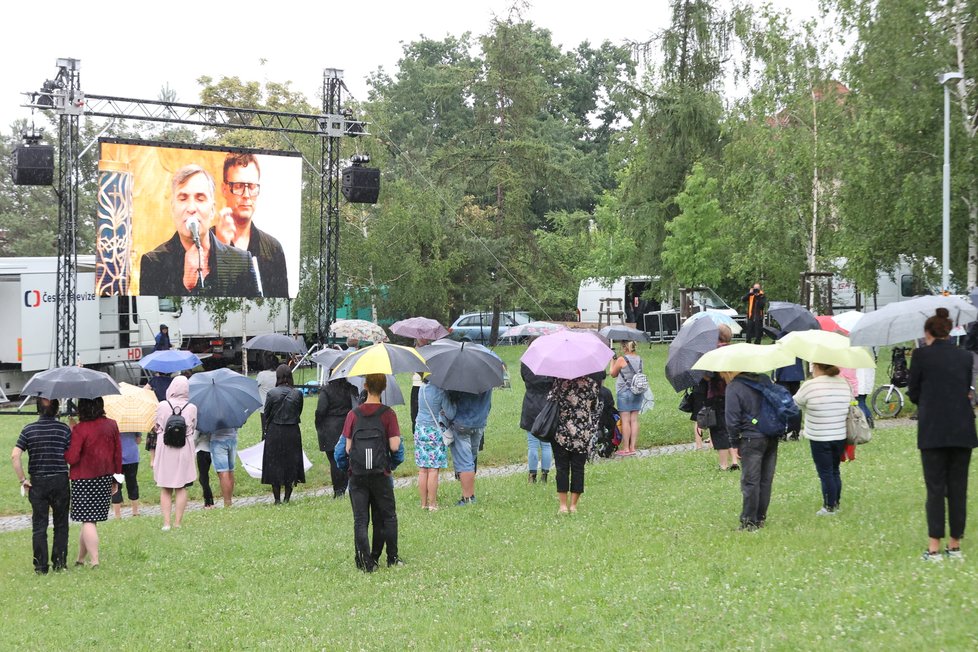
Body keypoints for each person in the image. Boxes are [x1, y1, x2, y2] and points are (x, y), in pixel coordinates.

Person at [907, 308, 978, 562]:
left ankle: (934, 547)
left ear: (928, 333)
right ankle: (955, 545)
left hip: (933, 429)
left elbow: (914, 392)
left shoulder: (921, 355)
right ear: (949, 331)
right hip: (962, 428)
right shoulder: (965, 357)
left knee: (935, 489)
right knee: (958, 488)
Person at [139, 164, 259, 297]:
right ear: (173, 208)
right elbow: (154, 316)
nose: (191, 208)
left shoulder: (241, 261)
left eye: (200, 198)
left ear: (212, 209)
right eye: (183, 198)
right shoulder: (154, 263)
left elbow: (257, 314)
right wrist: (186, 286)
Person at [339, 373, 403, 571]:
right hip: (380, 474)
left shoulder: (353, 415)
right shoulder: (388, 414)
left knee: (360, 520)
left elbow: (346, 449)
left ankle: (365, 562)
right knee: (387, 517)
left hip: (358, 475)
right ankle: (391, 558)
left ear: (365, 386)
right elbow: (395, 446)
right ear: (384, 388)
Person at [213, 152, 289, 297]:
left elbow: (282, 303)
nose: (246, 194)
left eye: (252, 186)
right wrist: (221, 247)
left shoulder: (273, 249)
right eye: (239, 186)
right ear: (224, 189)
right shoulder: (204, 244)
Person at [10, 398, 71, 574]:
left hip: (37, 481)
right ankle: (60, 563)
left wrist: (23, 480)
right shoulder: (63, 429)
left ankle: (40, 566)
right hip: (59, 479)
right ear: (57, 409)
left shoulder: (28, 430)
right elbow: (72, 455)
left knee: (39, 525)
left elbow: (15, 456)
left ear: (38, 409)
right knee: (61, 523)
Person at [64, 398, 122, 568]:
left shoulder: (80, 429)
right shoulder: (111, 425)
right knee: (90, 519)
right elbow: (118, 453)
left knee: (88, 519)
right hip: (105, 476)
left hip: (83, 478)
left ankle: (95, 560)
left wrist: (72, 431)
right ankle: (80, 559)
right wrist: (116, 476)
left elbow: (72, 457)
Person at [792, 363, 853, 515]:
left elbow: (795, 403)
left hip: (819, 435)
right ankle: (835, 503)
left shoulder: (810, 386)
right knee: (835, 470)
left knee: (825, 473)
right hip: (839, 434)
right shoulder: (843, 382)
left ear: (816, 366)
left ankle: (829, 506)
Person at [723, 370, 779, 531]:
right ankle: (760, 517)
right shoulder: (765, 380)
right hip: (771, 434)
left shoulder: (734, 387)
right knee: (765, 479)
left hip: (751, 438)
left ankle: (749, 521)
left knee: (750, 481)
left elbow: (732, 419)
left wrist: (734, 442)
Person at [549, 375, 601, 514]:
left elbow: (550, 401)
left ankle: (563, 506)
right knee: (578, 468)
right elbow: (595, 406)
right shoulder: (591, 384)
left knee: (562, 468)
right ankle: (573, 505)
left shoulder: (559, 383)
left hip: (562, 433)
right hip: (582, 433)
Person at [152, 376, 198, 530]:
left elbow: (156, 425)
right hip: (184, 448)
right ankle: (178, 523)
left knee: (165, 487)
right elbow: (193, 427)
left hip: (165, 448)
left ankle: (166, 523)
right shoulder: (192, 407)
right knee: (181, 486)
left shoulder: (163, 405)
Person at [261, 364, 305, 504]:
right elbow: (299, 411)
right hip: (292, 431)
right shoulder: (297, 393)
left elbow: (266, 414)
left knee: (274, 464)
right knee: (291, 463)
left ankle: (277, 499)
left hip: (275, 431)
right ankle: (287, 497)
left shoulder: (271, 393)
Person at [315, 373, 359, 499]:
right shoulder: (351, 389)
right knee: (347, 458)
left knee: (334, 461)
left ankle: (338, 490)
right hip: (347, 426)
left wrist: (319, 424)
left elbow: (321, 410)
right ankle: (347, 486)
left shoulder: (326, 391)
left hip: (329, 429)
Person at [414, 375, 455, 510]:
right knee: (433, 469)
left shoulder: (422, 388)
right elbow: (450, 413)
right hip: (434, 430)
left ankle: (423, 503)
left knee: (422, 469)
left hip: (420, 429)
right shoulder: (440, 391)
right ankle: (433, 504)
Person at [449, 389, 492, 506]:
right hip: (480, 422)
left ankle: (467, 498)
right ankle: (470, 494)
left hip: (463, 422)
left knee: (465, 461)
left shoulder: (461, 378)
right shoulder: (487, 374)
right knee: (471, 458)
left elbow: (452, 397)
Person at [520, 361, 554, 483]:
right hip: (547, 405)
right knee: (546, 444)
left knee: (532, 444)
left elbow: (524, 378)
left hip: (530, 403)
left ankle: (532, 476)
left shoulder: (526, 363)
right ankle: (544, 475)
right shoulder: (552, 363)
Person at [609, 341, 643, 456]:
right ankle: (633, 447)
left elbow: (613, 374)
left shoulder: (621, 359)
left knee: (625, 420)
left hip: (624, 392)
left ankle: (626, 448)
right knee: (634, 420)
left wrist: (612, 361)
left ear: (625, 347)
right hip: (637, 391)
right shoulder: (639, 359)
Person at [111, 431, 141, 519]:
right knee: (132, 483)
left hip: (116, 459)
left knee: (116, 485)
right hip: (132, 457)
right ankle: (135, 511)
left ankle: (117, 514)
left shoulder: (111, 426)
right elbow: (138, 440)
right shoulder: (133, 424)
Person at [208, 427, 238, 508]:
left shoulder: (212, 414)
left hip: (218, 440)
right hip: (232, 438)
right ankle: (230, 500)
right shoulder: (232, 413)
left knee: (223, 472)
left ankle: (227, 502)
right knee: (231, 471)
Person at [256, 354, 278, 439]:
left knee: (265, 430)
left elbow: (254, 386)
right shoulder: (278, 373)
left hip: (265, 407)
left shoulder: (262, 375)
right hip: (277, 406)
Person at [195, 431, 215, 509]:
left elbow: (195, 437)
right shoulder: (212, 425)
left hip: (201, 450)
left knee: (203, 478)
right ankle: (210, 501)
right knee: (205, 477)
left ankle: (208, 502)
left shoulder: (201, 425)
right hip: (210, 450)